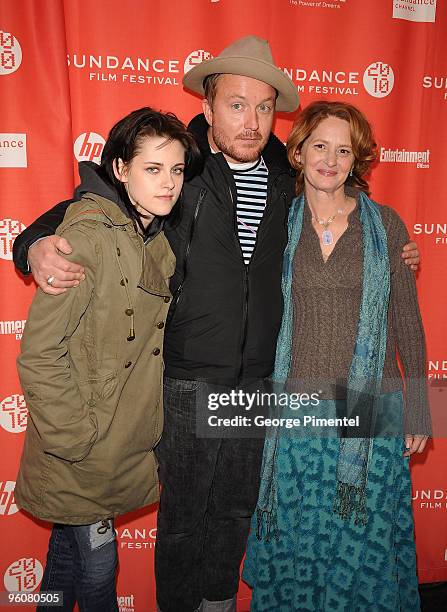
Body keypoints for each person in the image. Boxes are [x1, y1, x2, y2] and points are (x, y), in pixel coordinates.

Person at [12, 37, 420, 612]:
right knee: (175, 523)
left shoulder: (289, 172)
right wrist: (32, 245)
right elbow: (94, 200)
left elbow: (346, 195)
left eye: (261, 107)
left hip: (259, 383)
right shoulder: (179, 170)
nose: (250, 121)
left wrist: (395, 247)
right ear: (207, 108)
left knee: (234, 512)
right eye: (235, 105)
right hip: (183, 383)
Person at [242, 101, 431, 611]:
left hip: (369, 417)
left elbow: (407, 322)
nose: (331, 159)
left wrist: (416, 406)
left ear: (357, 159)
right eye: (320, 146)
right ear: (298, 153)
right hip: (298, 413)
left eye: (343, 149)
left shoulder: (385, 225)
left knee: (360, 550)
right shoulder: (277, 220)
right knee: (301, 544)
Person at [14, 107, 199, 612]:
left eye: (177, 170)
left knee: (65, 561)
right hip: (80, 446)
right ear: (120, 169)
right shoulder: (90, 238)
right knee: (98, 570)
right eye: (153, 169)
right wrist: (78, 435)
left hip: (120, 443)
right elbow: (39, 354)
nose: (169, 184)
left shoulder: (154, 239)